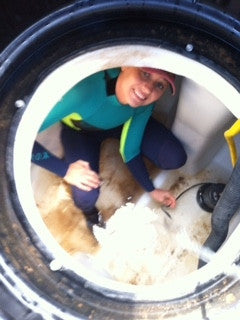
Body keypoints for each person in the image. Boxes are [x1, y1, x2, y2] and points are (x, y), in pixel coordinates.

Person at [32, 66, 187, 226]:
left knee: (174, 157)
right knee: (85, 196)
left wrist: (152, 190)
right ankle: (89, 214)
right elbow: (17, 136)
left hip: (120, 125)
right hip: (81, 132)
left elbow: (130, 150)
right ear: (126, 65)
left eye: (160, 85)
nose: (148, 89)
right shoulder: (83, 92)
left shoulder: (144, 102)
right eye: (145, 74)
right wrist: (65, 170)